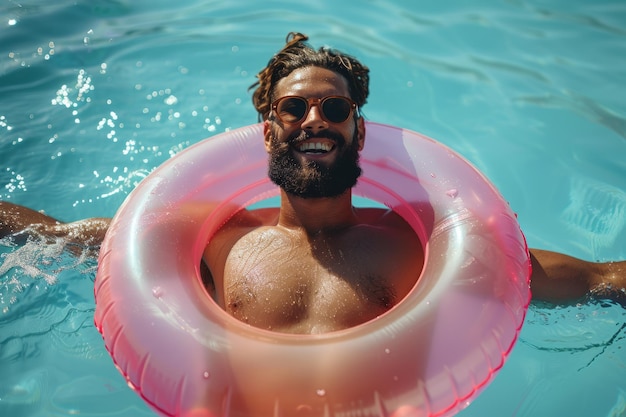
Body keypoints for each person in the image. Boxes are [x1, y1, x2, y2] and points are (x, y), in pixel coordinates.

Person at [1, 33, 624, 334]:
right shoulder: (215, 242)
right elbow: (53, 236)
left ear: (359, 128)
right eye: (293, 110)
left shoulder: (419, 245)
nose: (314, 122)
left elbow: (596, 280)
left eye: (334, 109)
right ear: (268, 130)